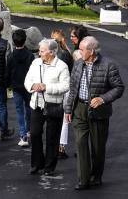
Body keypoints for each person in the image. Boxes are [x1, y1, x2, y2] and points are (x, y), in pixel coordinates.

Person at [64, 36, 125, 190]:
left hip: (99, 112)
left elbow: (119, 88)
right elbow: (73, 90)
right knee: (80, 144)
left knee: (97, 148)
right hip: (79, 110)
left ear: (91, 51)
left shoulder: (109, 65)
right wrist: (68, 109)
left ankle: (96, 177)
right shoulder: (77, 64)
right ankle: (83, 180)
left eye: (82, 49)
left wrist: (103, 99)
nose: (79, 52)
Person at [24, 39, 70, 176]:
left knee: (52, 137)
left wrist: (46, 87)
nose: (39, 53)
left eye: (42, 51)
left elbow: (65, 86)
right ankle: (37, 164)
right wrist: (33, 86)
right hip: (37, 104)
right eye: (40, 50)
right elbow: (27, 80)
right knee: (35, 133)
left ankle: (49, 167)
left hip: (54, 105)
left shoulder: (62, 66)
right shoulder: (35, 62)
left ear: (52, 52)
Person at [6, 29, 34, 147]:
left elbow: (8, 72)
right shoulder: (30, 55)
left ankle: (23, 134)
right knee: (29, 109)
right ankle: (28, 131)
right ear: (24, 40)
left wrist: (8, 84)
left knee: (19, 111)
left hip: (16, 86)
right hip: (28, 86)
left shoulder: (11, 56)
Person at [52, 29, 74, 159]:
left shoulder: (49, 54)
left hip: (52, 87)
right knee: (65, 118)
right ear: (63, 39)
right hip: (65, 88)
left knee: (52, 118)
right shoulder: (66, 53)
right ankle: (61, 147)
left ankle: (53, 145)